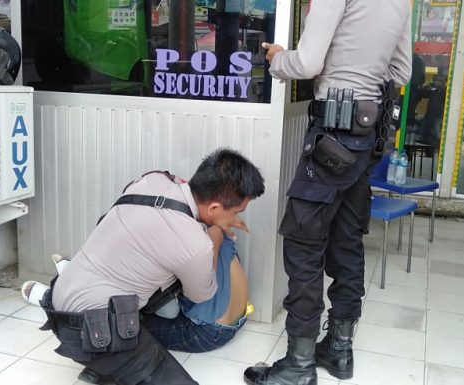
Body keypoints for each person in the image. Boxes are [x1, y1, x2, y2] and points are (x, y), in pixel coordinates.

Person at [249, 1, 411, 384]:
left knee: (303, 245)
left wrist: (278, 58)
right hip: (366, 138)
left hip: (332, 136)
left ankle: (299, 366)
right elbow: (401, 72)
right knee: (346, 240)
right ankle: (339, 350)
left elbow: (307, 64)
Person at [39, 148, 265, 385]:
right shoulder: (195, 244)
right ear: (214, 208)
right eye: (237, 212)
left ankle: (109, 365)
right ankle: (107, 364)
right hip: (93, 329)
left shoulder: (152, 180)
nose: (236, 219)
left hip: (58, 306)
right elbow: (200, 295)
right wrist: (215, 235)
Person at [23, 231, 252, 354]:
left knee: (117, 324)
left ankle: (53, 298)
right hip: (237, 318)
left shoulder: (181, 246)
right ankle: (75, 280)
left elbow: (169, 311)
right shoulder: (214, 225)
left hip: (208, 332)